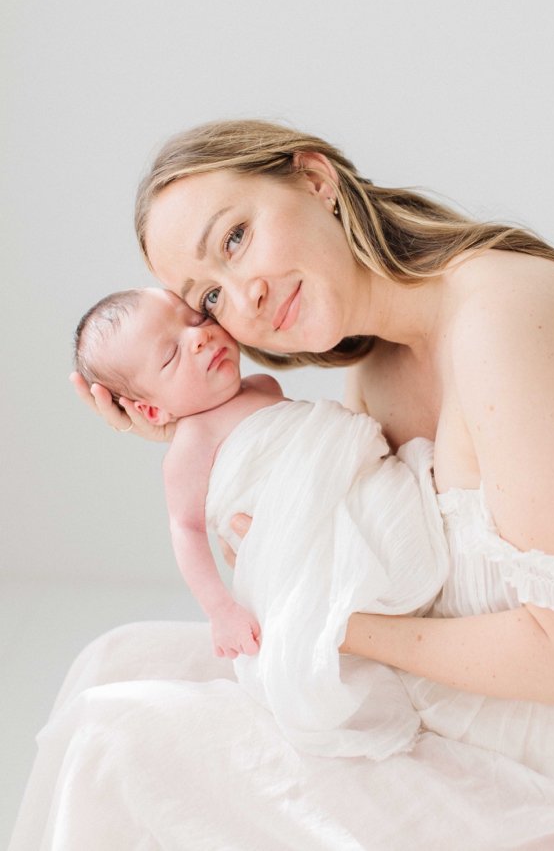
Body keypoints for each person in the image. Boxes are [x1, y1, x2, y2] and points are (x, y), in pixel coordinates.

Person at [14, 119, 554, 849]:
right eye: (211, 300)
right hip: (449, 709)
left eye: (234, 239)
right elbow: (378, 560)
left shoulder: (505, 320)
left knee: (115, 742)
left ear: (316, 181)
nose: (244, 300)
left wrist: (330, 624)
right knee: (116, 661)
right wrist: (211, 441)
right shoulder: (374, 374)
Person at [71, 286, 452, 759]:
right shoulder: (192, 444)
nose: (198, 338)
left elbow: (314, 448)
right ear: (151, 411)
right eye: (170, 355)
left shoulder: (262, 387)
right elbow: (186, 529)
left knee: (394, 497)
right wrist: (221, 609)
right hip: (304, 535)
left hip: (354, 492)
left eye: (194, 319)